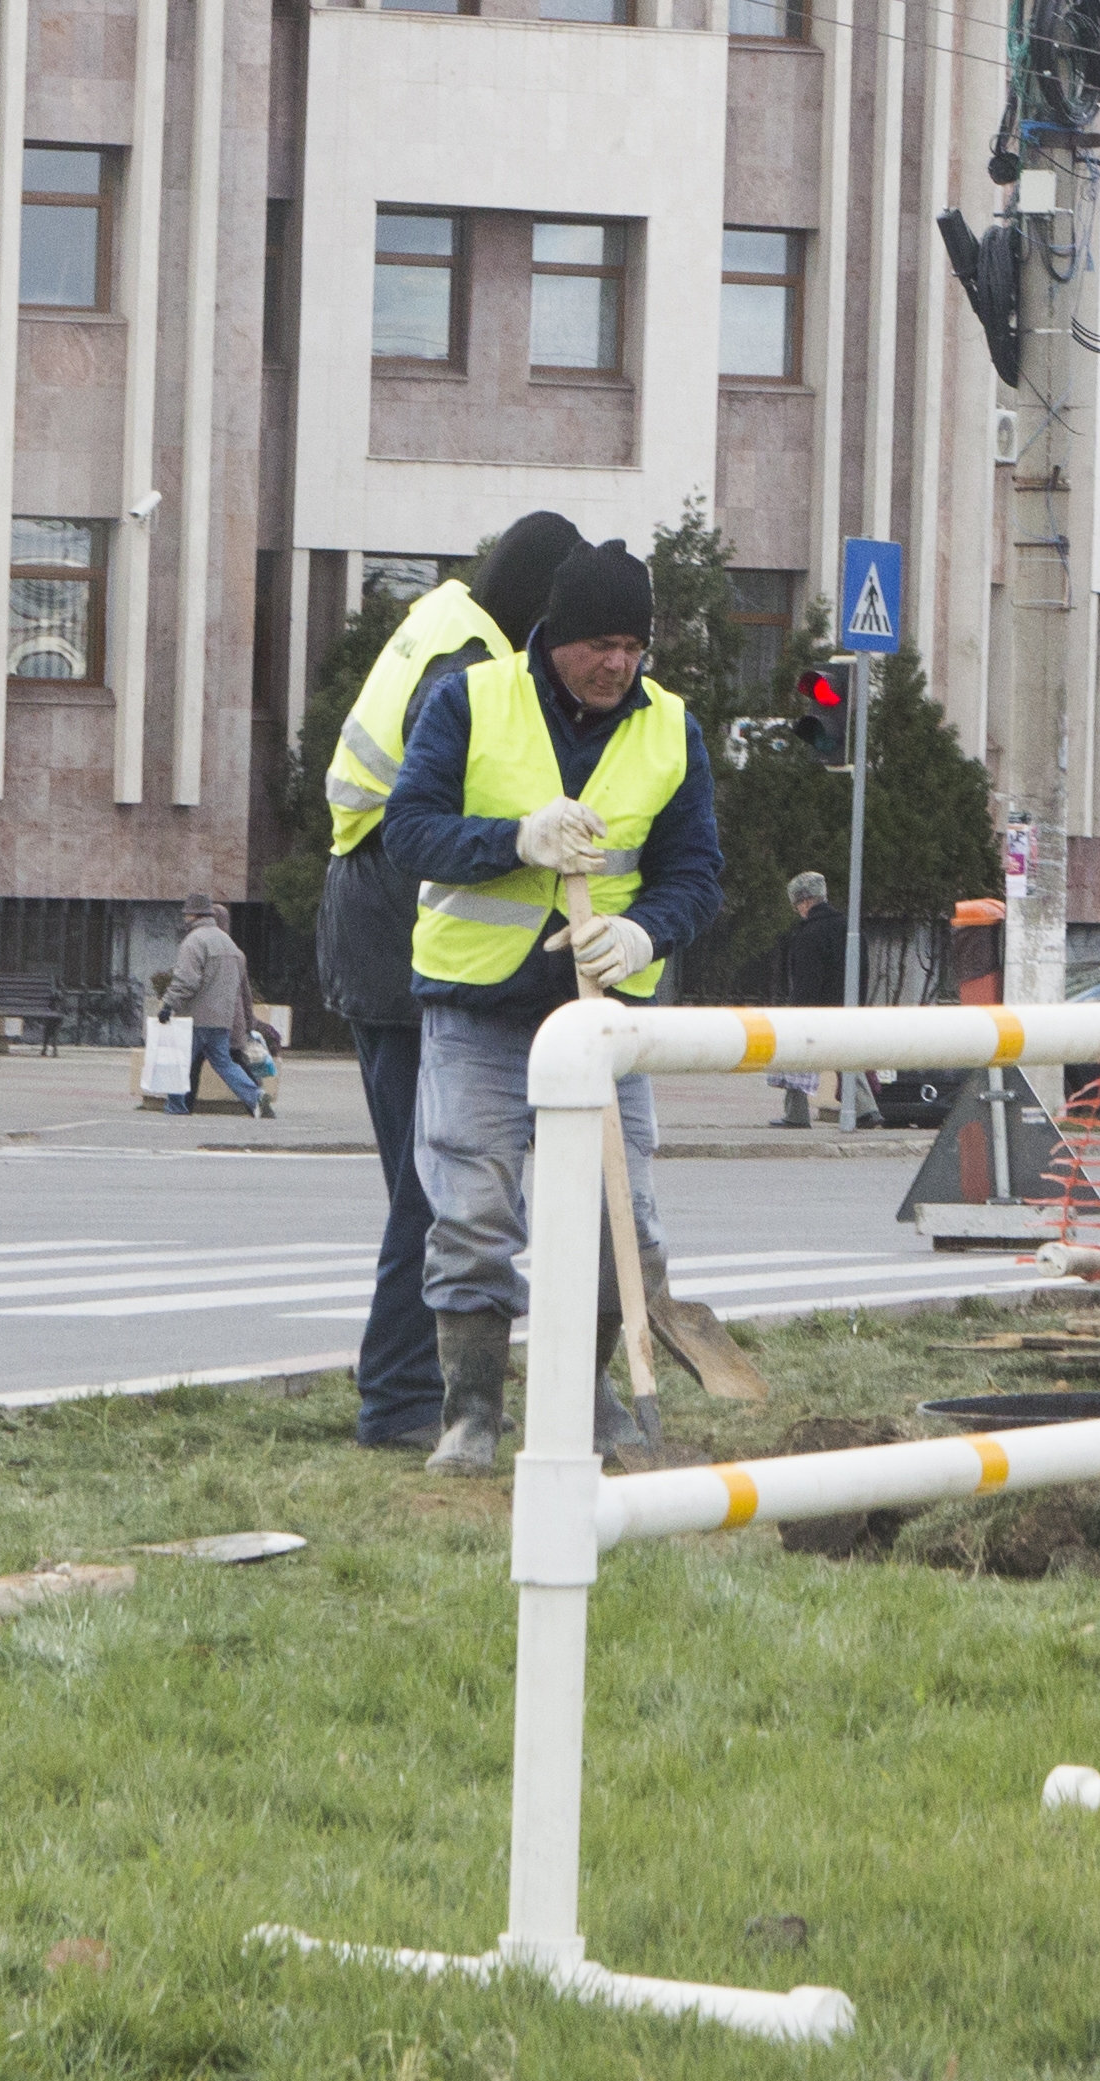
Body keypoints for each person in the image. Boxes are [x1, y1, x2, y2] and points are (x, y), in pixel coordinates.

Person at [382, 538, 725, 1477]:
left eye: (634, 645)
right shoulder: (472, 700)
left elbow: (695, 872)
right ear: (553, 638)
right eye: (599, 645)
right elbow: (406, 831)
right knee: (472, 1213)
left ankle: (584, 1393)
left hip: (602, 1021)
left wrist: (647, 934)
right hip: (478, 1010)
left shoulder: (671, 729)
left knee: (626, 1222)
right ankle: (473, 1416)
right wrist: (515, 839)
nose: (617, 663)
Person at [314, 509, 580, 1451]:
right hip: (400, 921)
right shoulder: (468, 661)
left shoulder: (445, 616)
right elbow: (444, 810)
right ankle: (397, 1404)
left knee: (426, 1187)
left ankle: (402, 1394)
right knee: (432, 1190)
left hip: (368, 910)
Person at [156, 895, 267, 1120]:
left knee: (182, 1063)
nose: (185, 918)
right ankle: (255, 1096)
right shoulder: (229, 943)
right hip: (223, 1018)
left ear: (194, 915)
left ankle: (176, 1107)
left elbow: (186, 980)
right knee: (224, 1063)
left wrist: (169, 1004)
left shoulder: (194, 941)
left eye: (187, 913)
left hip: (196, 1017)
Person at [771, 871, 848, 1126]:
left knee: (796, 1057)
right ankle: (866, 1109)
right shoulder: (848, 927)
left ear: (804, 902)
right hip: (847, 1007)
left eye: (796, 905)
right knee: (848, 1056)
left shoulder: (809, 934)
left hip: (814, 1009)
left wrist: (797, 1010)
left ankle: (796, 1115)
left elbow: (807, 980)